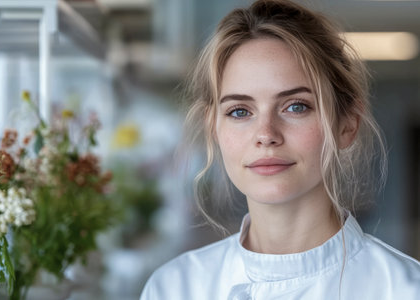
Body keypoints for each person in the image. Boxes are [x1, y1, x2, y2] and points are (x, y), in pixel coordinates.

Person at [140, 0, 420, 299]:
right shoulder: (175, 288)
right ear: (214, 127)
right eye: (239, 111)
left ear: (347, 125)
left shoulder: (405, 288)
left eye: (295, 106)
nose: (266, 134)